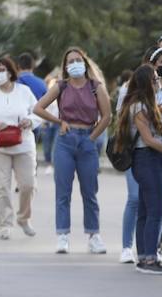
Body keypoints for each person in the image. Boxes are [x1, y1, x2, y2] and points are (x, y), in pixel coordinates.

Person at [33, 47, 111, 255]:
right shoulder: (61, 86)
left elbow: (106, 117)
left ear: (85, 63)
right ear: (66, 67)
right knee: (63, 192)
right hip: (66, 140)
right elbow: (38, 108)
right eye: (70, 61)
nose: (75, 63)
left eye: (78, 60)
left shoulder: (96, 87)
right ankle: (62, 235)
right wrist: (59, 121)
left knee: (89, 191)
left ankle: (94, 236)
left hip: (88, 140)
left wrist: (93, 138)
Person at [113, 65, 162, 274]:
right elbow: (148, 140)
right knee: (155, 209)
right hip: (147, 159)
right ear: (147, 83)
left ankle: (144, 257)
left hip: (148, 160)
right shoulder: (139, 107)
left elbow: (154, 131)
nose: (158, 83)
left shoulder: (144, 105)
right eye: (155, 79)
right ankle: (149, 259)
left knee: (145, 210)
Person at [0, 55, 40, 239]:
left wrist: (31, 121)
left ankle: (24, 218)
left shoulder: (24, 91)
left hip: (24, 144)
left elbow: (39, 112)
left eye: (1, 70)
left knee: (28, 185)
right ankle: (5, 224)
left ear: (11, 72)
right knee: (2, 187)